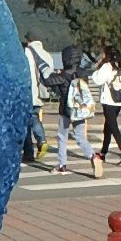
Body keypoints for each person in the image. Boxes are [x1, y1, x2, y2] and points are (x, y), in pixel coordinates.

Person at [43, 45, 103, 178]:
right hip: (80, 110)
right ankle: (93, 156)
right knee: (80, 137)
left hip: (66, 110)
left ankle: (62, 165)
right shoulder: (83, 73)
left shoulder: (63, 75)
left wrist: (50, 71)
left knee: (62, 136)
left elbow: (47, 81)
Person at [91, 46, 121, 166]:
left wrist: (98, 66)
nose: (102, 56)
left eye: (103, 54)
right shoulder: (120, 65)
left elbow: (97, 80)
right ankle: (103, 153)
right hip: (119, 101)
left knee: (113, 127)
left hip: (109, 101)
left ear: (106, 55)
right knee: (107, 127)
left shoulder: (107, 66)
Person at [21, 33, 51, 162]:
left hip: (30, 92)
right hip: (41, 93)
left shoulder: (28, 52)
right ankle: (28, 153)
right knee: (31, 119)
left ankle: (40, 141)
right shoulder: (46, 54)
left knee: (30, 119)